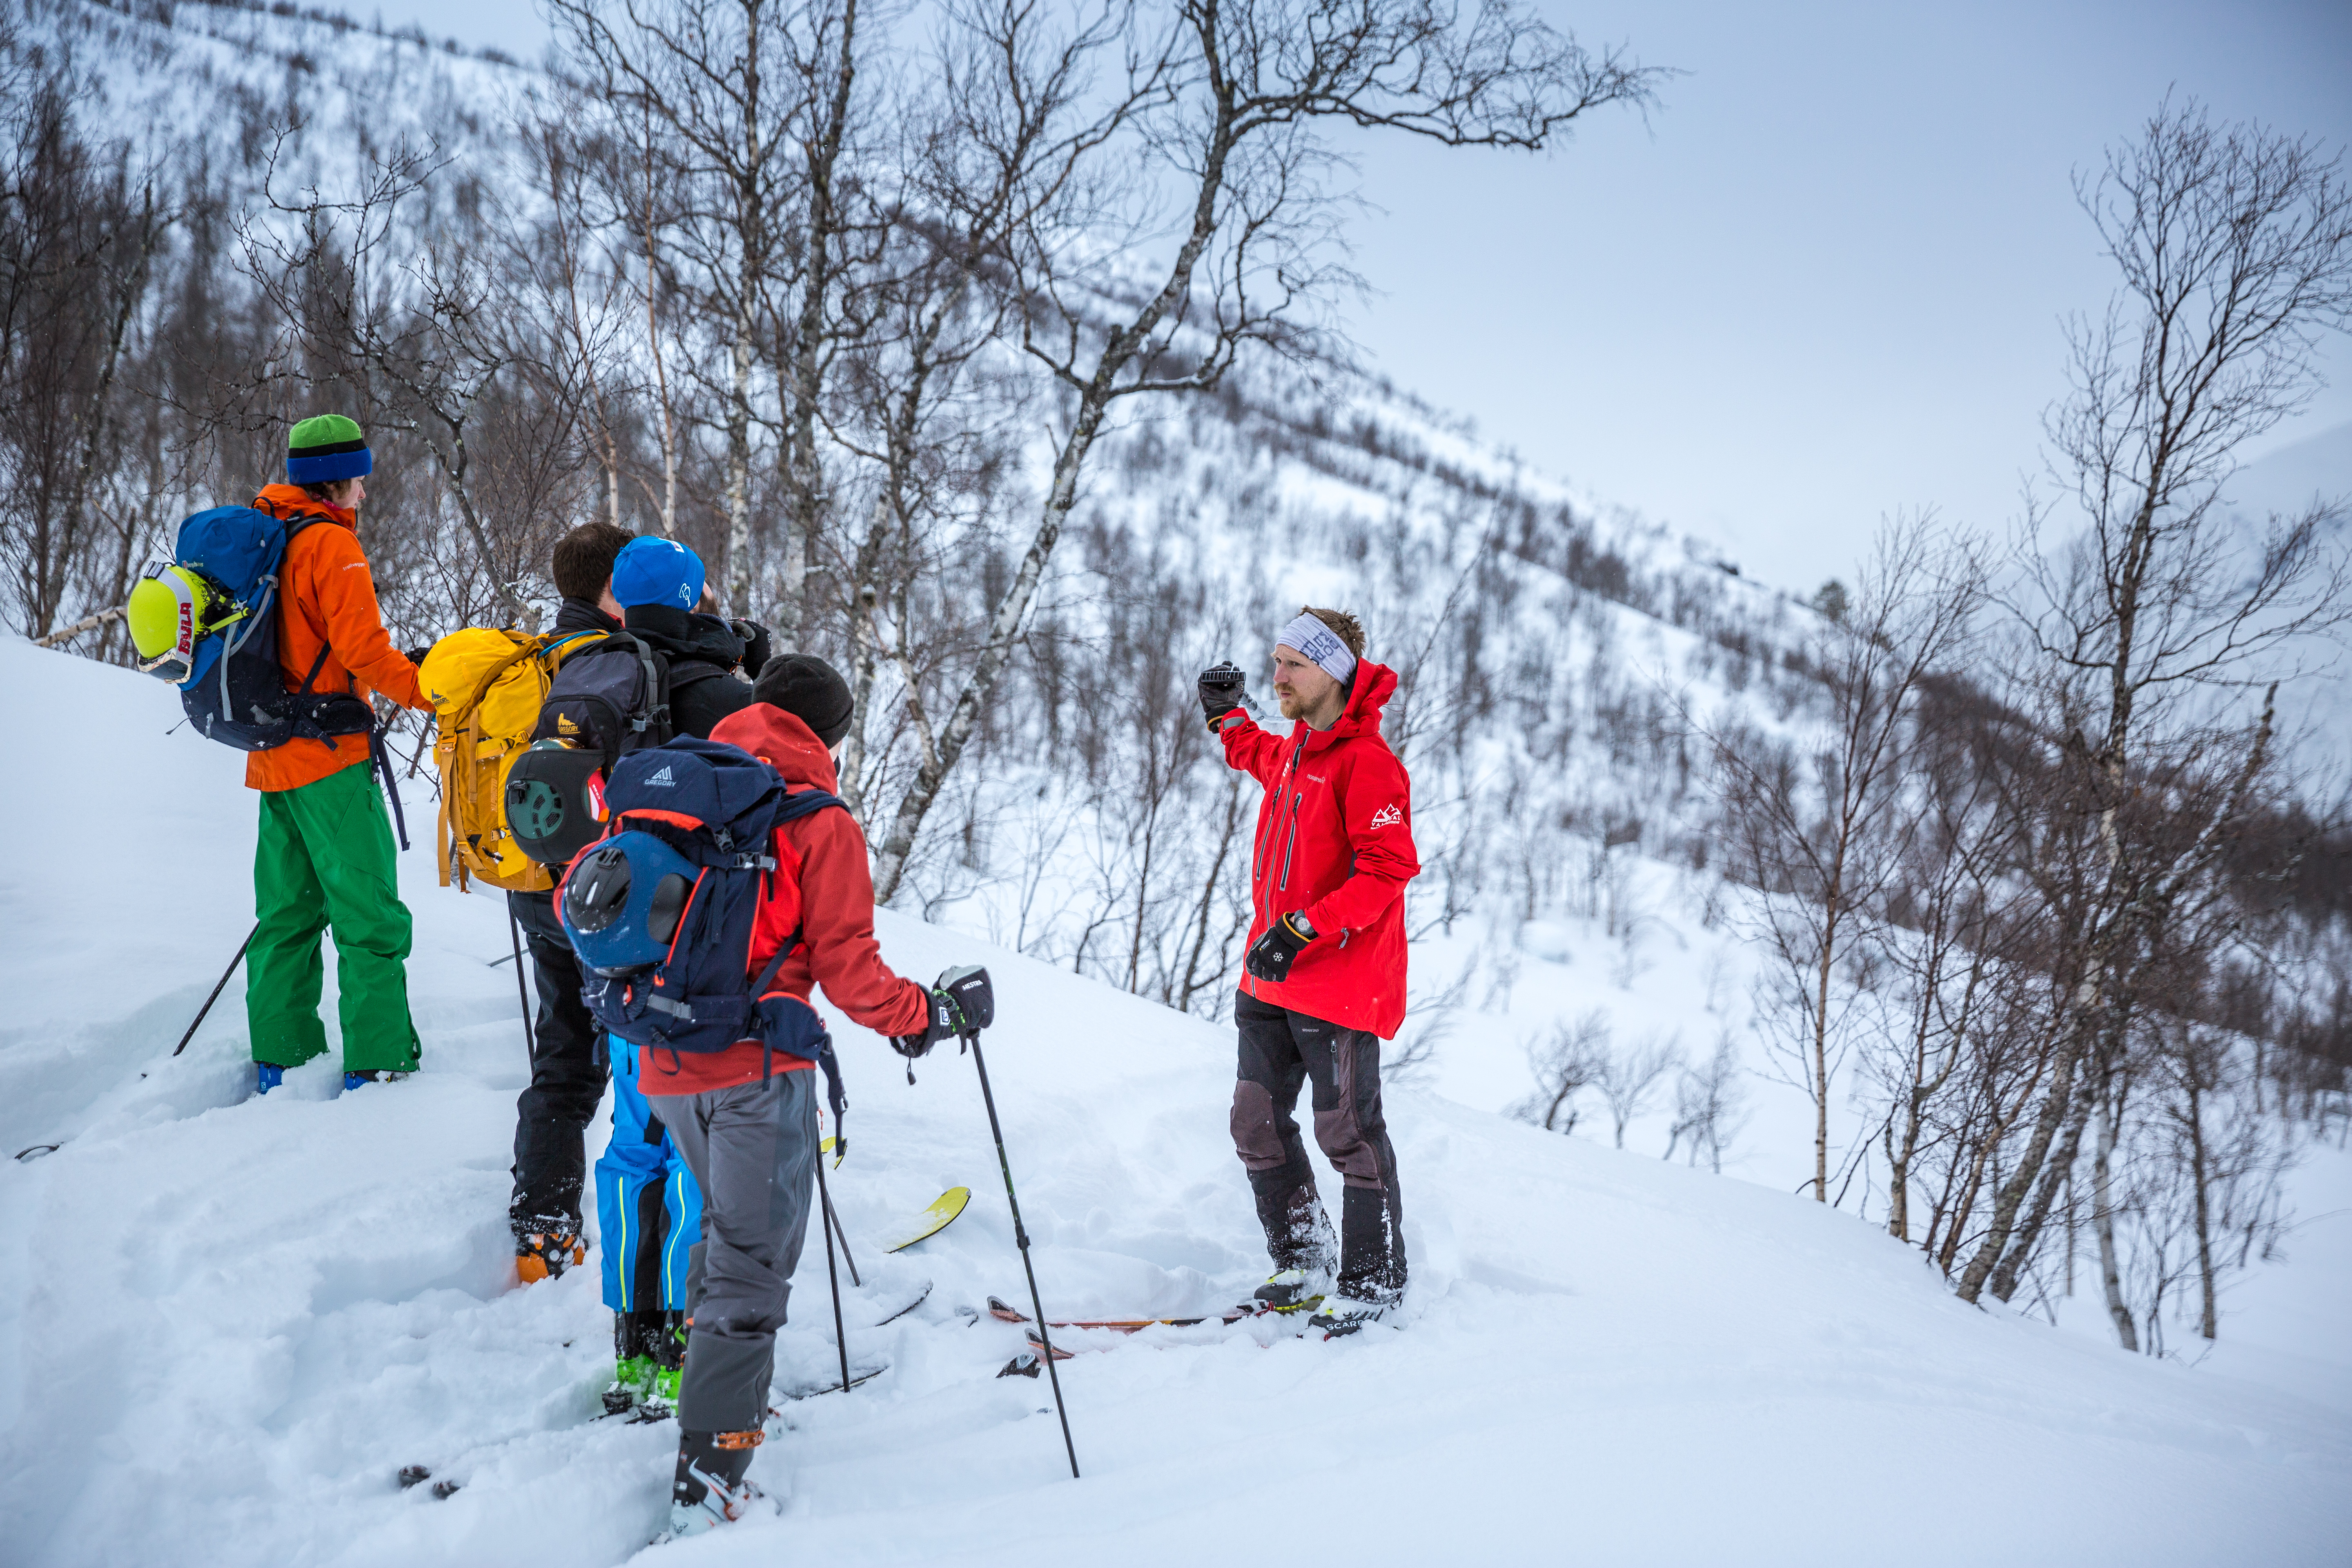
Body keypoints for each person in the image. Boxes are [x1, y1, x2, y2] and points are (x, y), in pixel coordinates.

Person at [641, 654, 963, 1536]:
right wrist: (923, 1015)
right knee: (751, 1265)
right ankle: (711, 1478)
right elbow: (851, 973)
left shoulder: (683, 783)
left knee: (724, 1234)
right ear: (831, 737)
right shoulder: (817, 818)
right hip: (755, 1070)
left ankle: (721, 1405)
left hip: (664, 1063)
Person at [1198, 608, 1421, 1335]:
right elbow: (1258, 755)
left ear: (1333, 672)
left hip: (1338, 983)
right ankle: (1303, 1258)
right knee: (1254, 1122)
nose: (1278, 677)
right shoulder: (1299, 751)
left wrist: (1303, 929)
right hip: (1269, 976)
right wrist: (1227, 718)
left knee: (1347, 1132)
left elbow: (1388, 870)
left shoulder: (1367, 764)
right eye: (1276, 662)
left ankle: (1374, 1282)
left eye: (1293, 664)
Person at [247, 416, 434, 1095]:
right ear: (336, 480)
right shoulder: (331, 545)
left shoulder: (267, 531)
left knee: (286, 915)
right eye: (359, 477)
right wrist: (432, 693)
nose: (365, 490)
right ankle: (377, 1065)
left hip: (273, 757)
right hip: (330, 760)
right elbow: (364, 652)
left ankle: (281, 1061)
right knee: (369, 916)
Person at [507, 519, 635, 1283]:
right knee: (643, 1057)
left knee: (563, 1055)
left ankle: (542, 1233)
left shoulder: (532, 659)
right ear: (615, 588)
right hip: (599, 895)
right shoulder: (618, 664)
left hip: (533, 885)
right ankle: (651, 1234)